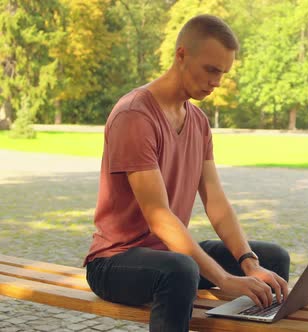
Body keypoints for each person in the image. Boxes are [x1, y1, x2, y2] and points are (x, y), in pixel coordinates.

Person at [83, 14, 290, 332]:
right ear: (181, 55)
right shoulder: (135, 116)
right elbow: (159, 217)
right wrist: (224, 279)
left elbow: (216, 202)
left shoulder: (198, 121)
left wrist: (249, 264)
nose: (217, 81)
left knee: (272, 260)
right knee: (180, 270)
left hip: (170, 253)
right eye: (211, 69)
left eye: (223, 72)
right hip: (115, 261)